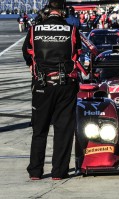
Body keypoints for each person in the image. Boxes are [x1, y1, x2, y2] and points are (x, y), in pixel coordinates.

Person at [22, 0, 82, 180]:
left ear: (47, 10)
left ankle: (35, 171)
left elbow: (27, 53)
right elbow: (77, 53)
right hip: (65, 85)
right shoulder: (71, 30)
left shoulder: (34, 29)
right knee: (63, 130)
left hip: (41, 84)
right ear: (63, 11)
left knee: (39, 130)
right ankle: (59, 172)